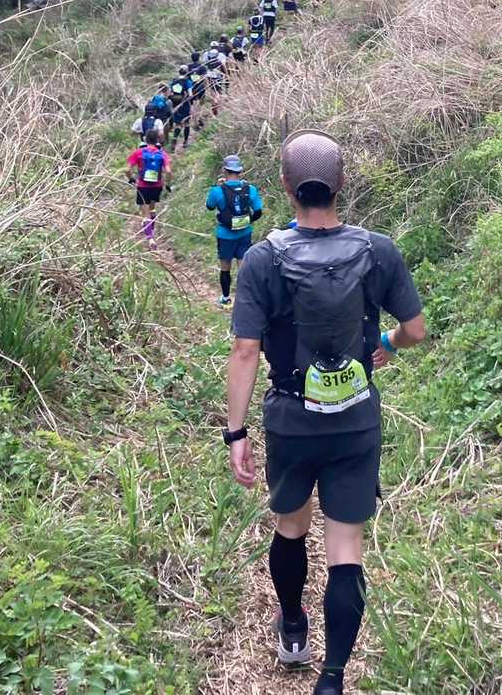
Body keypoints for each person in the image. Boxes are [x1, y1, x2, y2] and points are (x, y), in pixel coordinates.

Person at [223, 130, 427, 695]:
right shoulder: (378, 250)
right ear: (341, 184)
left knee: (291, 527)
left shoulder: (263, 259)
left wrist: (236, 432)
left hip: (291, 421)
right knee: (345, 549)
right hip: (355, 421)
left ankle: (293, 628)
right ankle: (332, 678)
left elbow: (245, 350)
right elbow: (414, 330)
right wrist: (386, 342)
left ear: (285, 186)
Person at [207, 154, 263, 308]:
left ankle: (225, 299)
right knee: (243, 267)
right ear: (240, 171)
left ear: (224, 170)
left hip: (225, 235)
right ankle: (245, 300)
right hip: (245, 233)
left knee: (225, 267)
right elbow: (258, 211)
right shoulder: (250, 189)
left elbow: (210, 206)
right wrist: (247, 221)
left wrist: (218, 187)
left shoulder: (217, 191)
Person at [125, 129, 170, 244]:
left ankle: (150, 239)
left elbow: (127, 169)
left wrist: (131, 178)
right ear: (157, 140)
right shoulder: (162, 154)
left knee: (145, 213)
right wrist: (168, 183)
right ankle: (152, 228)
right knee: (152, 208)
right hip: (157, 186)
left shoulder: (138, 153)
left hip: (143, 186)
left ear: (145, 139)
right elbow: (168, 171)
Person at [171, 67, 194, 150]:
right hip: (185, 104)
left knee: (177, 124)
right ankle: (185, 141)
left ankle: (174, 139)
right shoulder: (187, 82)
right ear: (186, 73)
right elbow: (190, 95)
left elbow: (171, 93)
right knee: (187, 123)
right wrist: (191, 104)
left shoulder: (173, 82)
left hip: (175, 104)